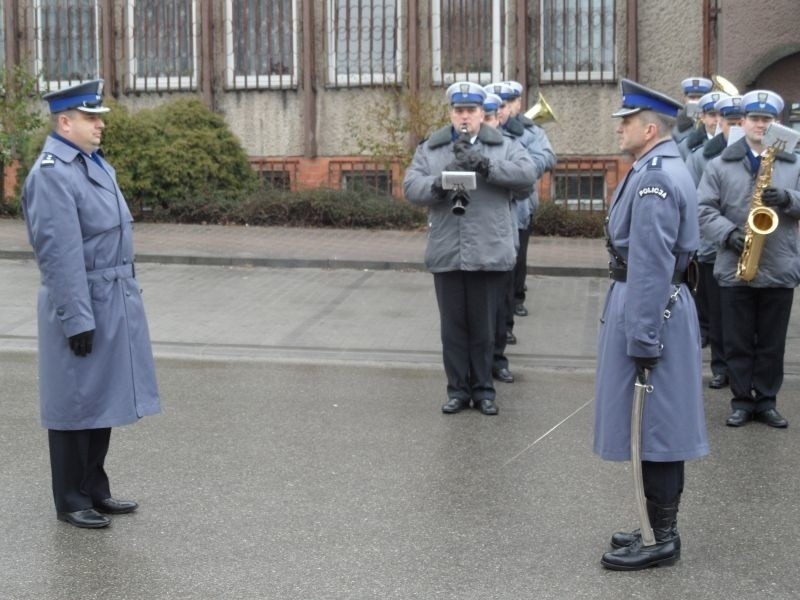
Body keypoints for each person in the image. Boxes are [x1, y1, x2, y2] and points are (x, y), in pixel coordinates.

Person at [21, 80, 161, 528]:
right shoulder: (52, 174)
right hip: (80, 301)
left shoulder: (93, 166)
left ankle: (95, 489)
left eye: (99, 116)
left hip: (111, 298)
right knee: (73, 403)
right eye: (90, 117)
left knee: (101, 398)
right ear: (65, 122)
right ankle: (70, 498)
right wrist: (76, 318)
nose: (100, 124)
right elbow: (59, 255)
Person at [595, 79, 708, 570]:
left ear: (649, 127)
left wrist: (643, 336)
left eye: (625, 121)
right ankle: (651, 522)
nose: (619, 129)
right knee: (650, 423)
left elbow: (650, 264)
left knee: (656, 427)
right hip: (654, 304)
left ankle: (662, 537)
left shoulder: (654, 179)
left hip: (650, 307)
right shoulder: (653, 168)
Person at [403, 82, 536, 415]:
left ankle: (484, 390)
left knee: (484, 328)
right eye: (459, 111)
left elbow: (527, 176)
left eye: (471, 111)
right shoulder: (431, 149)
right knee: (453, 329)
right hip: (448, 250)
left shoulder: (504, 146)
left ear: (482, 114)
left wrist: (485, 165)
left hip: (488, 250)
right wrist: (439, 181)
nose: (465, 117)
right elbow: (411, 186)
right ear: (451, 113)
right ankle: (458, 390)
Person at [697, 89, 800, 428]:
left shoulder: (794, 161)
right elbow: (703, 209)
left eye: (766, 120)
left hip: (779, 265)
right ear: (741, 122)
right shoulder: (719, 163)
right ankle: (742, 400)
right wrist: (728, 234)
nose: (760, 125)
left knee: (772, 343)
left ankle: (767, 400)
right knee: (737, 340)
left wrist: (788, 198)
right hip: (734, 264)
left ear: (777, 123)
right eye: (754, 119)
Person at [686, 94, 745, 390]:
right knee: (718, 313)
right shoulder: (701, 156)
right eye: (729, 122)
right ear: (719, 122)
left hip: (747, 245)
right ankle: (721, 367)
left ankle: (746, 369)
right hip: (712, 247)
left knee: (743, 313)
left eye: (738, 122)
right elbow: (694, 200)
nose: (733, 127)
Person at [502, 80, 557, 318]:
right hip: (495, 205)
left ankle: (516, 299)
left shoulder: (532, 131)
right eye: (500, 104)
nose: (505, 108)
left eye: (509, 103)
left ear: (518, 103)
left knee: (518, 255)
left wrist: (520, 167)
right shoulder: (487, 127)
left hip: (521, 204)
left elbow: (547, 158)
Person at [678, 90, 726, 160]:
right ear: (703, 117)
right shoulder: (684, 146)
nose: (718, 120)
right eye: (712, 115)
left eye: (722, 115)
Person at [672, 77, 712, 145]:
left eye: (700, 97)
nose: (696, 101)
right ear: (685, 99)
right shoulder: (675, 129)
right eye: (692, 97)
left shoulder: (714, 124)